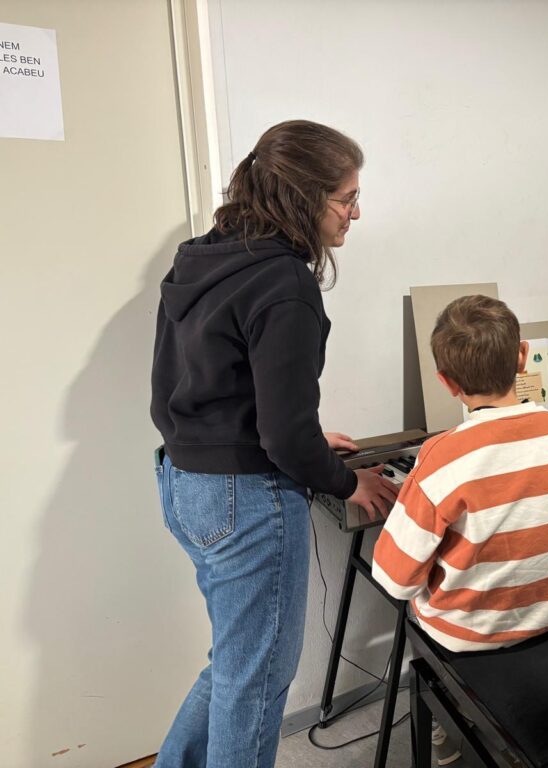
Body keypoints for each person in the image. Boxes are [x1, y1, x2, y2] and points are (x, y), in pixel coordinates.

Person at [150, 119, 397, 768]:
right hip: (243, 502)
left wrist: (303, 436)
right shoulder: (284, 282)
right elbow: (282, 436)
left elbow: (215, 382)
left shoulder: (203, 255)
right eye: (346, 198)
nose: (355, 213)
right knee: (255, 682)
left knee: (235, 667)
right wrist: (346, 480)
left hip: (184, 484)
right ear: (306, 197)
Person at [372, 294, 548, 651]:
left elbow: (396, 579)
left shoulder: (441, 455)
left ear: (446, 382)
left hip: (465, 635)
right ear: (522, 356)